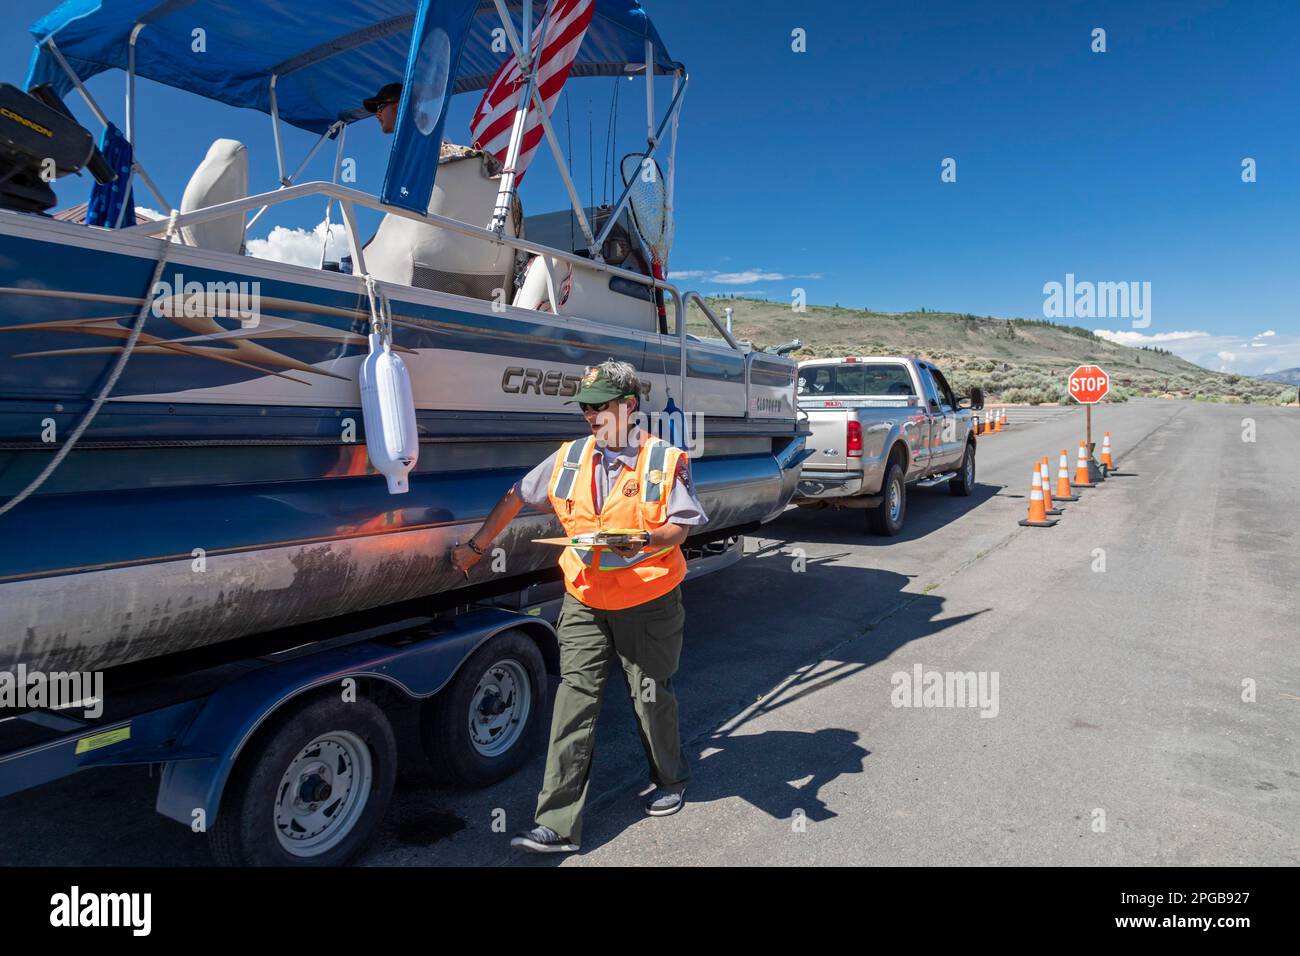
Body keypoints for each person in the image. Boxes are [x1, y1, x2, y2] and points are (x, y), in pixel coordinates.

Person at [450, 360, 707, 853]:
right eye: (585, 408)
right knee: (574, 701)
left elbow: (682, 525)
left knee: (650, 698)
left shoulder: (663, 459)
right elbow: (516, 496)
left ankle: (671, 779)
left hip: (648, 600)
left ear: (628, 407)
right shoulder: (569, 457)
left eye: (599, 406)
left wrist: (645, 539)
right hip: (585, 599)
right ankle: (558, 824)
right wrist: (478, 547)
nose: (589, 416)